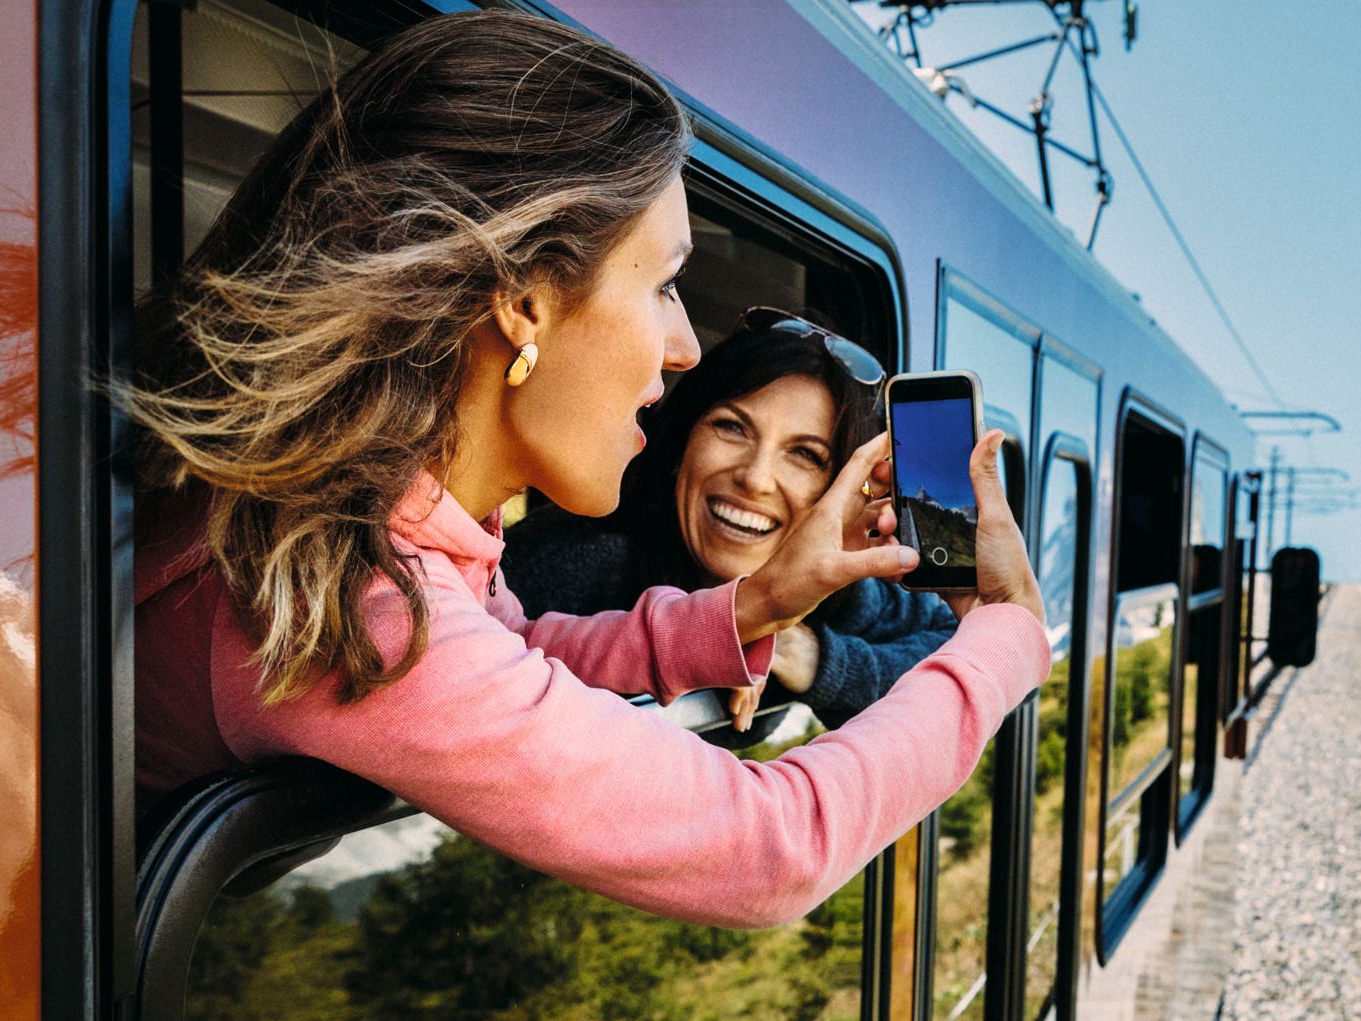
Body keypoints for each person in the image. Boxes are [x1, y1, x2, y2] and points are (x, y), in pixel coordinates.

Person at [128, 10, 1045, 929]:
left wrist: (755, 607)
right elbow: (773, 844)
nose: (687, 346)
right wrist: (1010, 635)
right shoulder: (360, 601)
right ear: (524, 300)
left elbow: (519, 659)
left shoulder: (370, 518)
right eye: (664, 286)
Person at [508, 310, 958, 735]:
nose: (756, 478)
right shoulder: (579, 561)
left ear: (836, 492)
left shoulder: (838, 593)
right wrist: (720, 632)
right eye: (732, 428)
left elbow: (953, 648)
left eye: (805, 455)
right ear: (680, 441)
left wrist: (814, 656)